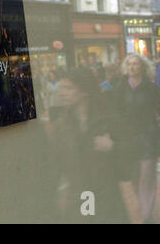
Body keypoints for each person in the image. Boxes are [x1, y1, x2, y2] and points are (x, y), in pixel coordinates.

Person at [52, 67, 130, 223]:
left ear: (84, 91)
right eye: (62, 88)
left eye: (69, 88)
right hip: (81, 194)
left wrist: (112, 146)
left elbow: (132, 150)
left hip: (106, 193)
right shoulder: (62, 125)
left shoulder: (107, 119)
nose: (62, 93)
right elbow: (57, 163)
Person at [113, 54, 160, 223]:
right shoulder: (121, 87)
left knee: (147, 176)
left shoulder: (151, 88)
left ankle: (147, 215)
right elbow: (116, 112)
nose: (132, 67)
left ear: (142, 67)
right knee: (135, 177)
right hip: (129, 138)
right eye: (129, 64)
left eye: (135, 64)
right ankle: (143, 207)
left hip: (148, 136)